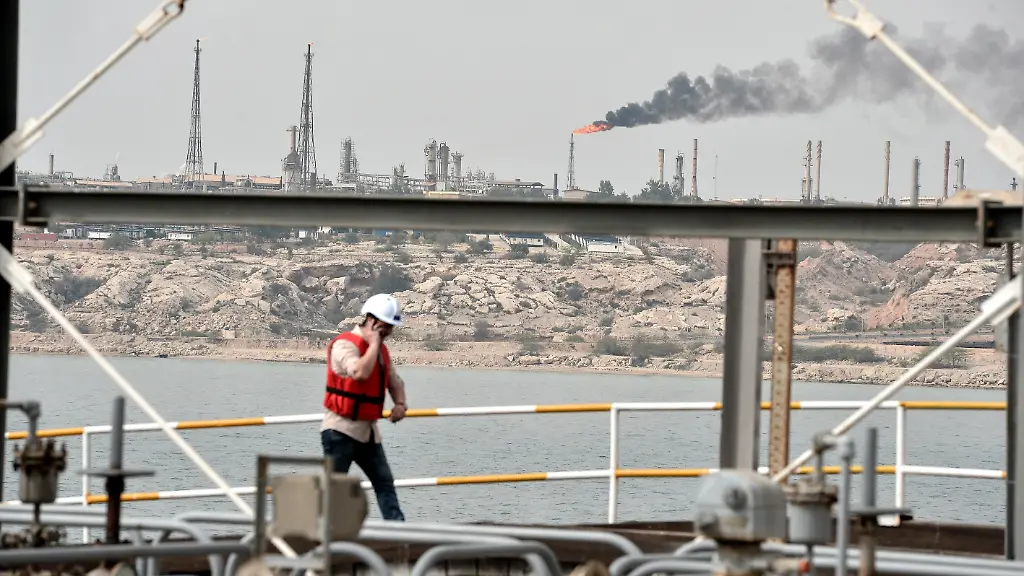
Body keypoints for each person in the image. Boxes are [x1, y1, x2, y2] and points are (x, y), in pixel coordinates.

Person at [320, 293, 408, 521]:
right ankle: (324, 539)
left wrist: (400, 404)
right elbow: (360, 372)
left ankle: (399, 535)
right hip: (340, 431)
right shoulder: (344, 345)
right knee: (334, 490)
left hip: (368, 433)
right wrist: (375, 343)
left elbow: (394, 381)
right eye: (387, 327)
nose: (390, 332)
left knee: (384, 484)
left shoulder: (381, 351)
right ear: (373, 322)